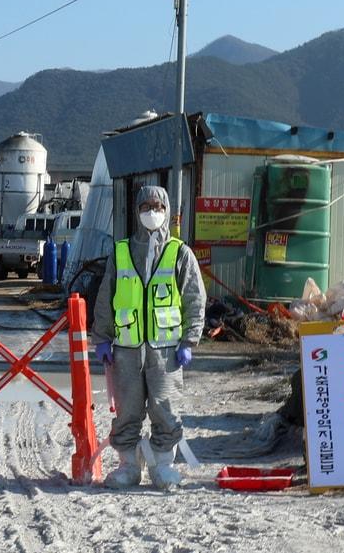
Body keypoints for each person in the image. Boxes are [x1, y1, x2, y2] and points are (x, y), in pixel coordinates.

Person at [91, 186, 205, 490]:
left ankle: (163, 465)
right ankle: (128, 466)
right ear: (136, 210)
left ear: (166, 210)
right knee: (127, 410)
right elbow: (106, 296)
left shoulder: (180, 252)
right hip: (126, 349)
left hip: (166, 351)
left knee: (165, 408)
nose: (151, 212)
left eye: (157, 206)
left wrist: (189, 341)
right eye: (145, 206)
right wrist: (102, 337)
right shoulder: (121, 251)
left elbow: (194, 297)